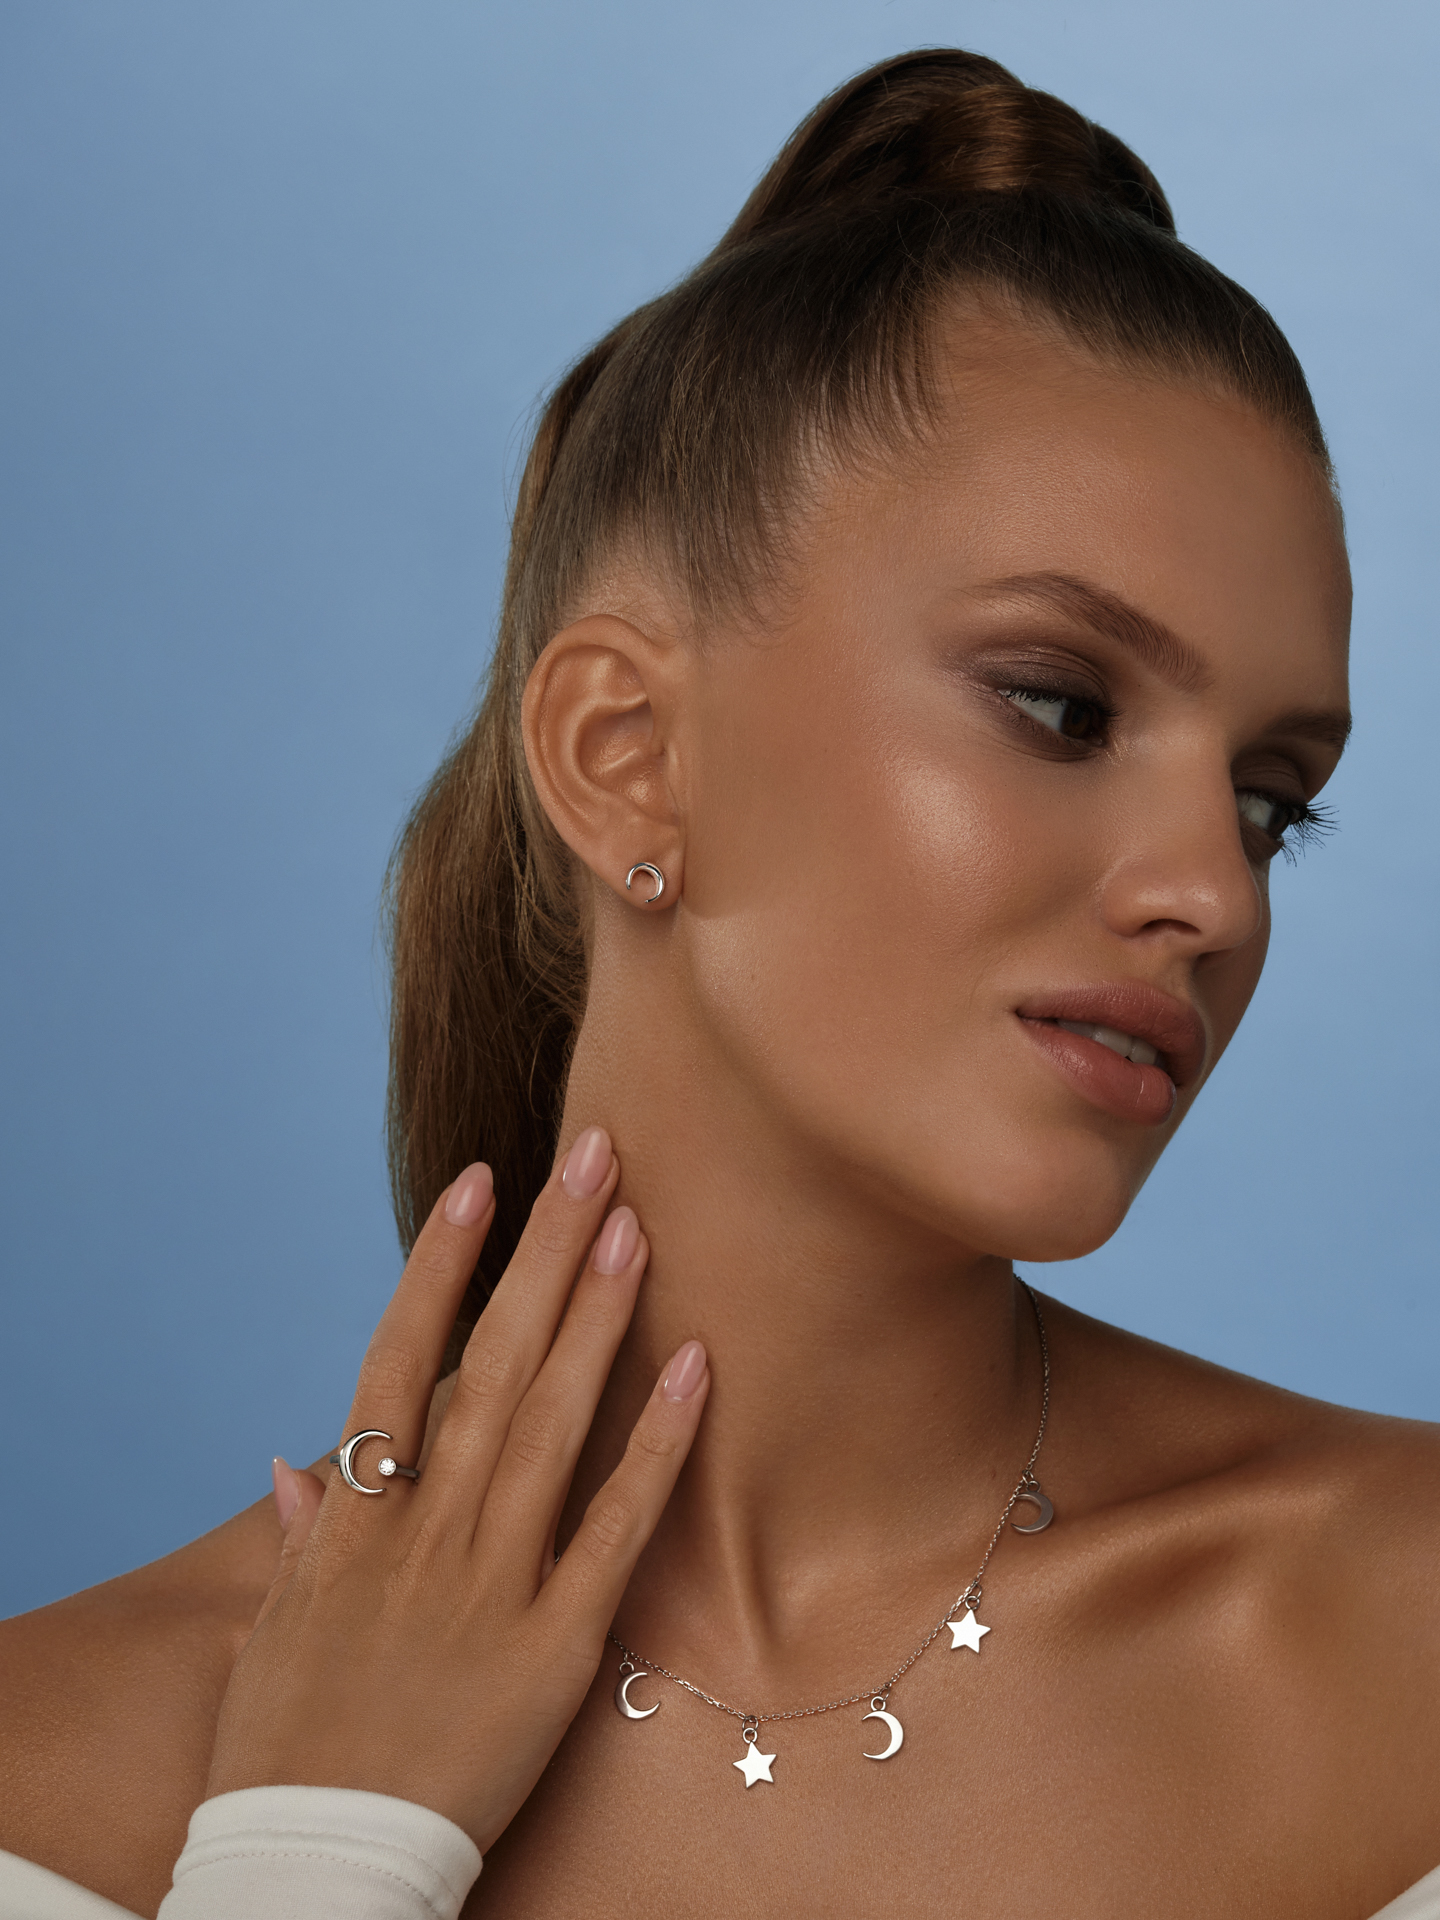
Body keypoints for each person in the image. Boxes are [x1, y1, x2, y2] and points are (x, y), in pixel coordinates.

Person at [1, 45, 1436, 1920]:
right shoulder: (54, 1771)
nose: (1211, 896)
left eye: (1270, 804)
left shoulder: (1399, 1629)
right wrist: (315, 1854)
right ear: (625, 758)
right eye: (1060, 705)